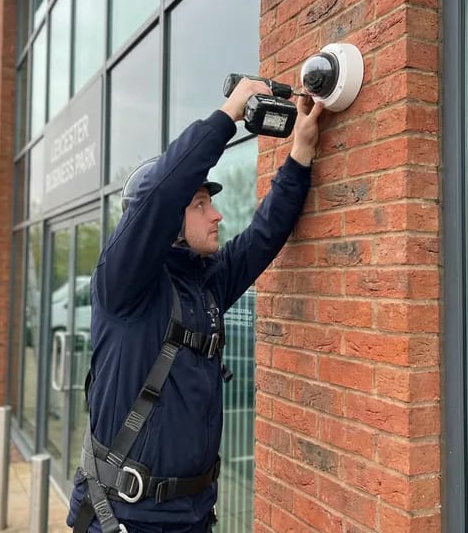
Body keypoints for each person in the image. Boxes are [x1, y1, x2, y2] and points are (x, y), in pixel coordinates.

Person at [67, 78, 325, 532]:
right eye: (201, 204)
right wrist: (228, 115)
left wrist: (300, 152)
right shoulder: (124, 283)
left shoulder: (205, 284)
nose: (217, 215)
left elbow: (264, 235)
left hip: (195, 515)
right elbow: (162, 193)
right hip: (127, 517)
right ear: (168, 221)